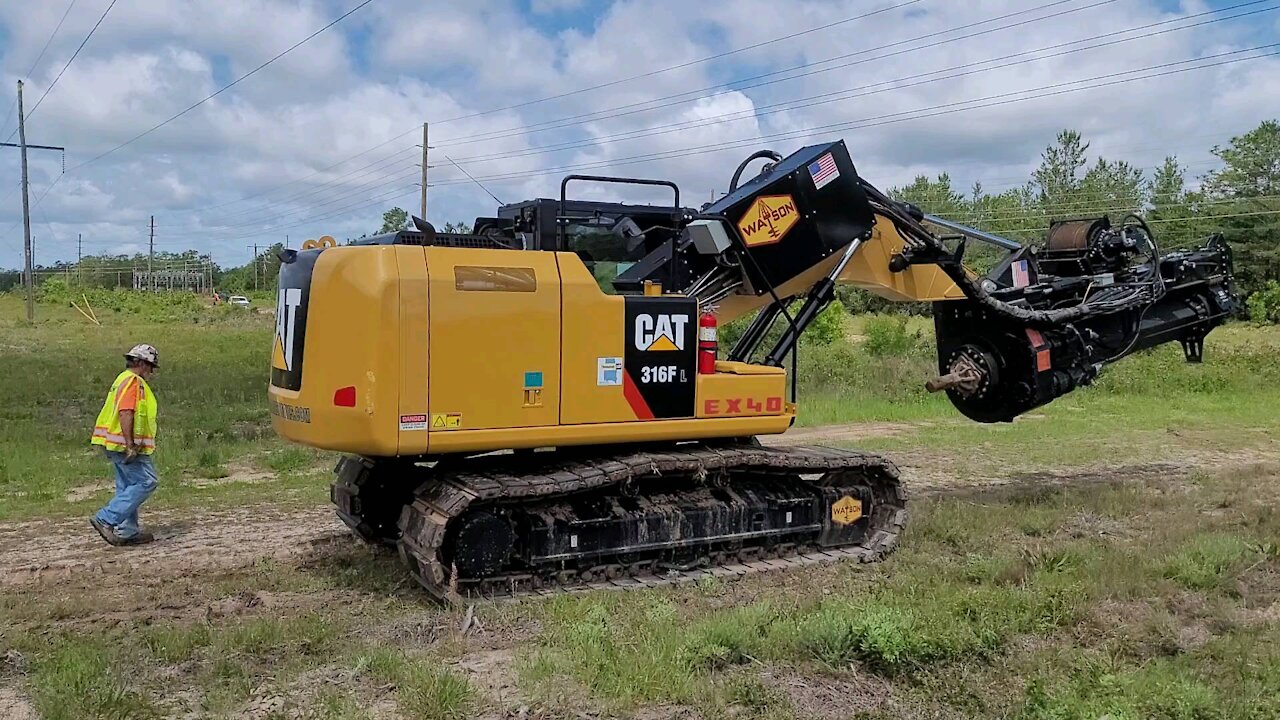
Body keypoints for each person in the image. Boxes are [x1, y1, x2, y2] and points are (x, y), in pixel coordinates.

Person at [89, 344, 161, 546]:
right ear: (139, 363)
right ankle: (106, 518)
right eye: (149, 366)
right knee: (147, 482)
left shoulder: (122, 379)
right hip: (124, 444)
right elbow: (126, 412)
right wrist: (131, 444)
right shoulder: (133, 382)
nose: (150, 371)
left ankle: (128, 531)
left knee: (127, 485)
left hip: (113, 442)